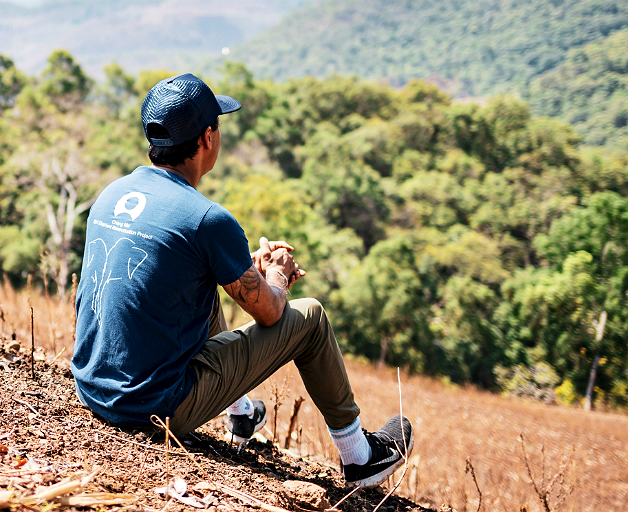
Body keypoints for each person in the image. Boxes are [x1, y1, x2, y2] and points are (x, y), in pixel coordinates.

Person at [71, 73, 412, 487]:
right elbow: (270, 312)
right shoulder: (206, 218)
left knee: (197, 280)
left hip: (92, 388)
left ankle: (241, 413)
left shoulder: (112, 193)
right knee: (312, 317)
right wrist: (278, 275)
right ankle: (360, 458)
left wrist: (241, 269)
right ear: (208, 138)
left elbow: (167, 267)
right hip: (156, 408)